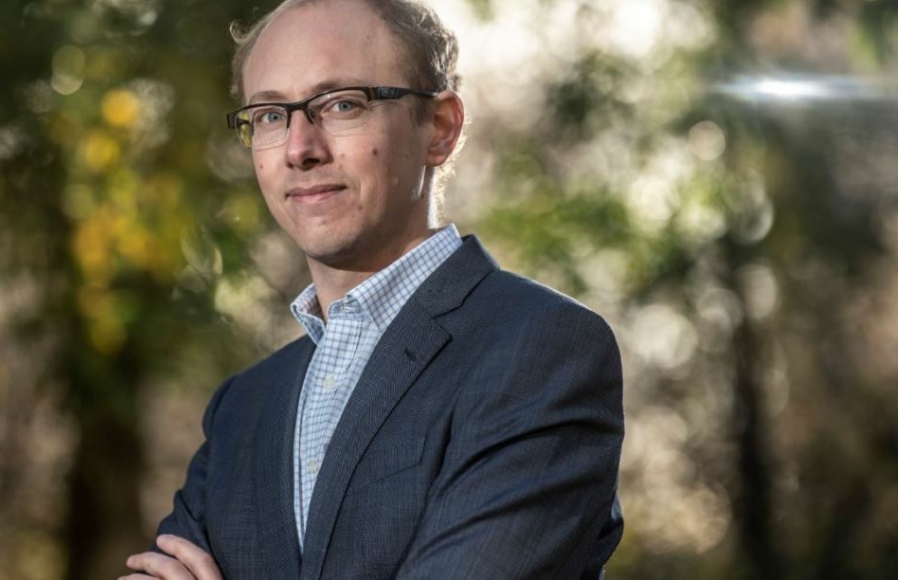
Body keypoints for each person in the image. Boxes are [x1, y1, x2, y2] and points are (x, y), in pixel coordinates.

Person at [122, 0, 624, 578]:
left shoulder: (542, 349)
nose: (299, 148)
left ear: (439, 129)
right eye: (269, 115)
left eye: (342, 104)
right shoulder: (241, 408)